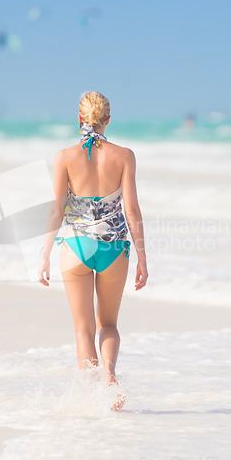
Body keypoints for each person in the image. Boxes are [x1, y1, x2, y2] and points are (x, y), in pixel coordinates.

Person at [37, 91, 148, 410]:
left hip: (75, 248)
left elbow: (56, 210)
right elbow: (133, 211)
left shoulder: (64, 157)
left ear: (80, 119)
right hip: (115, 250)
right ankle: (110, 376)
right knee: (109, 325)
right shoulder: (125, 155)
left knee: (83, 329)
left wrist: (44, 254)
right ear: (108, 120)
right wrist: (142, 257)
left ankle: (91, 401)